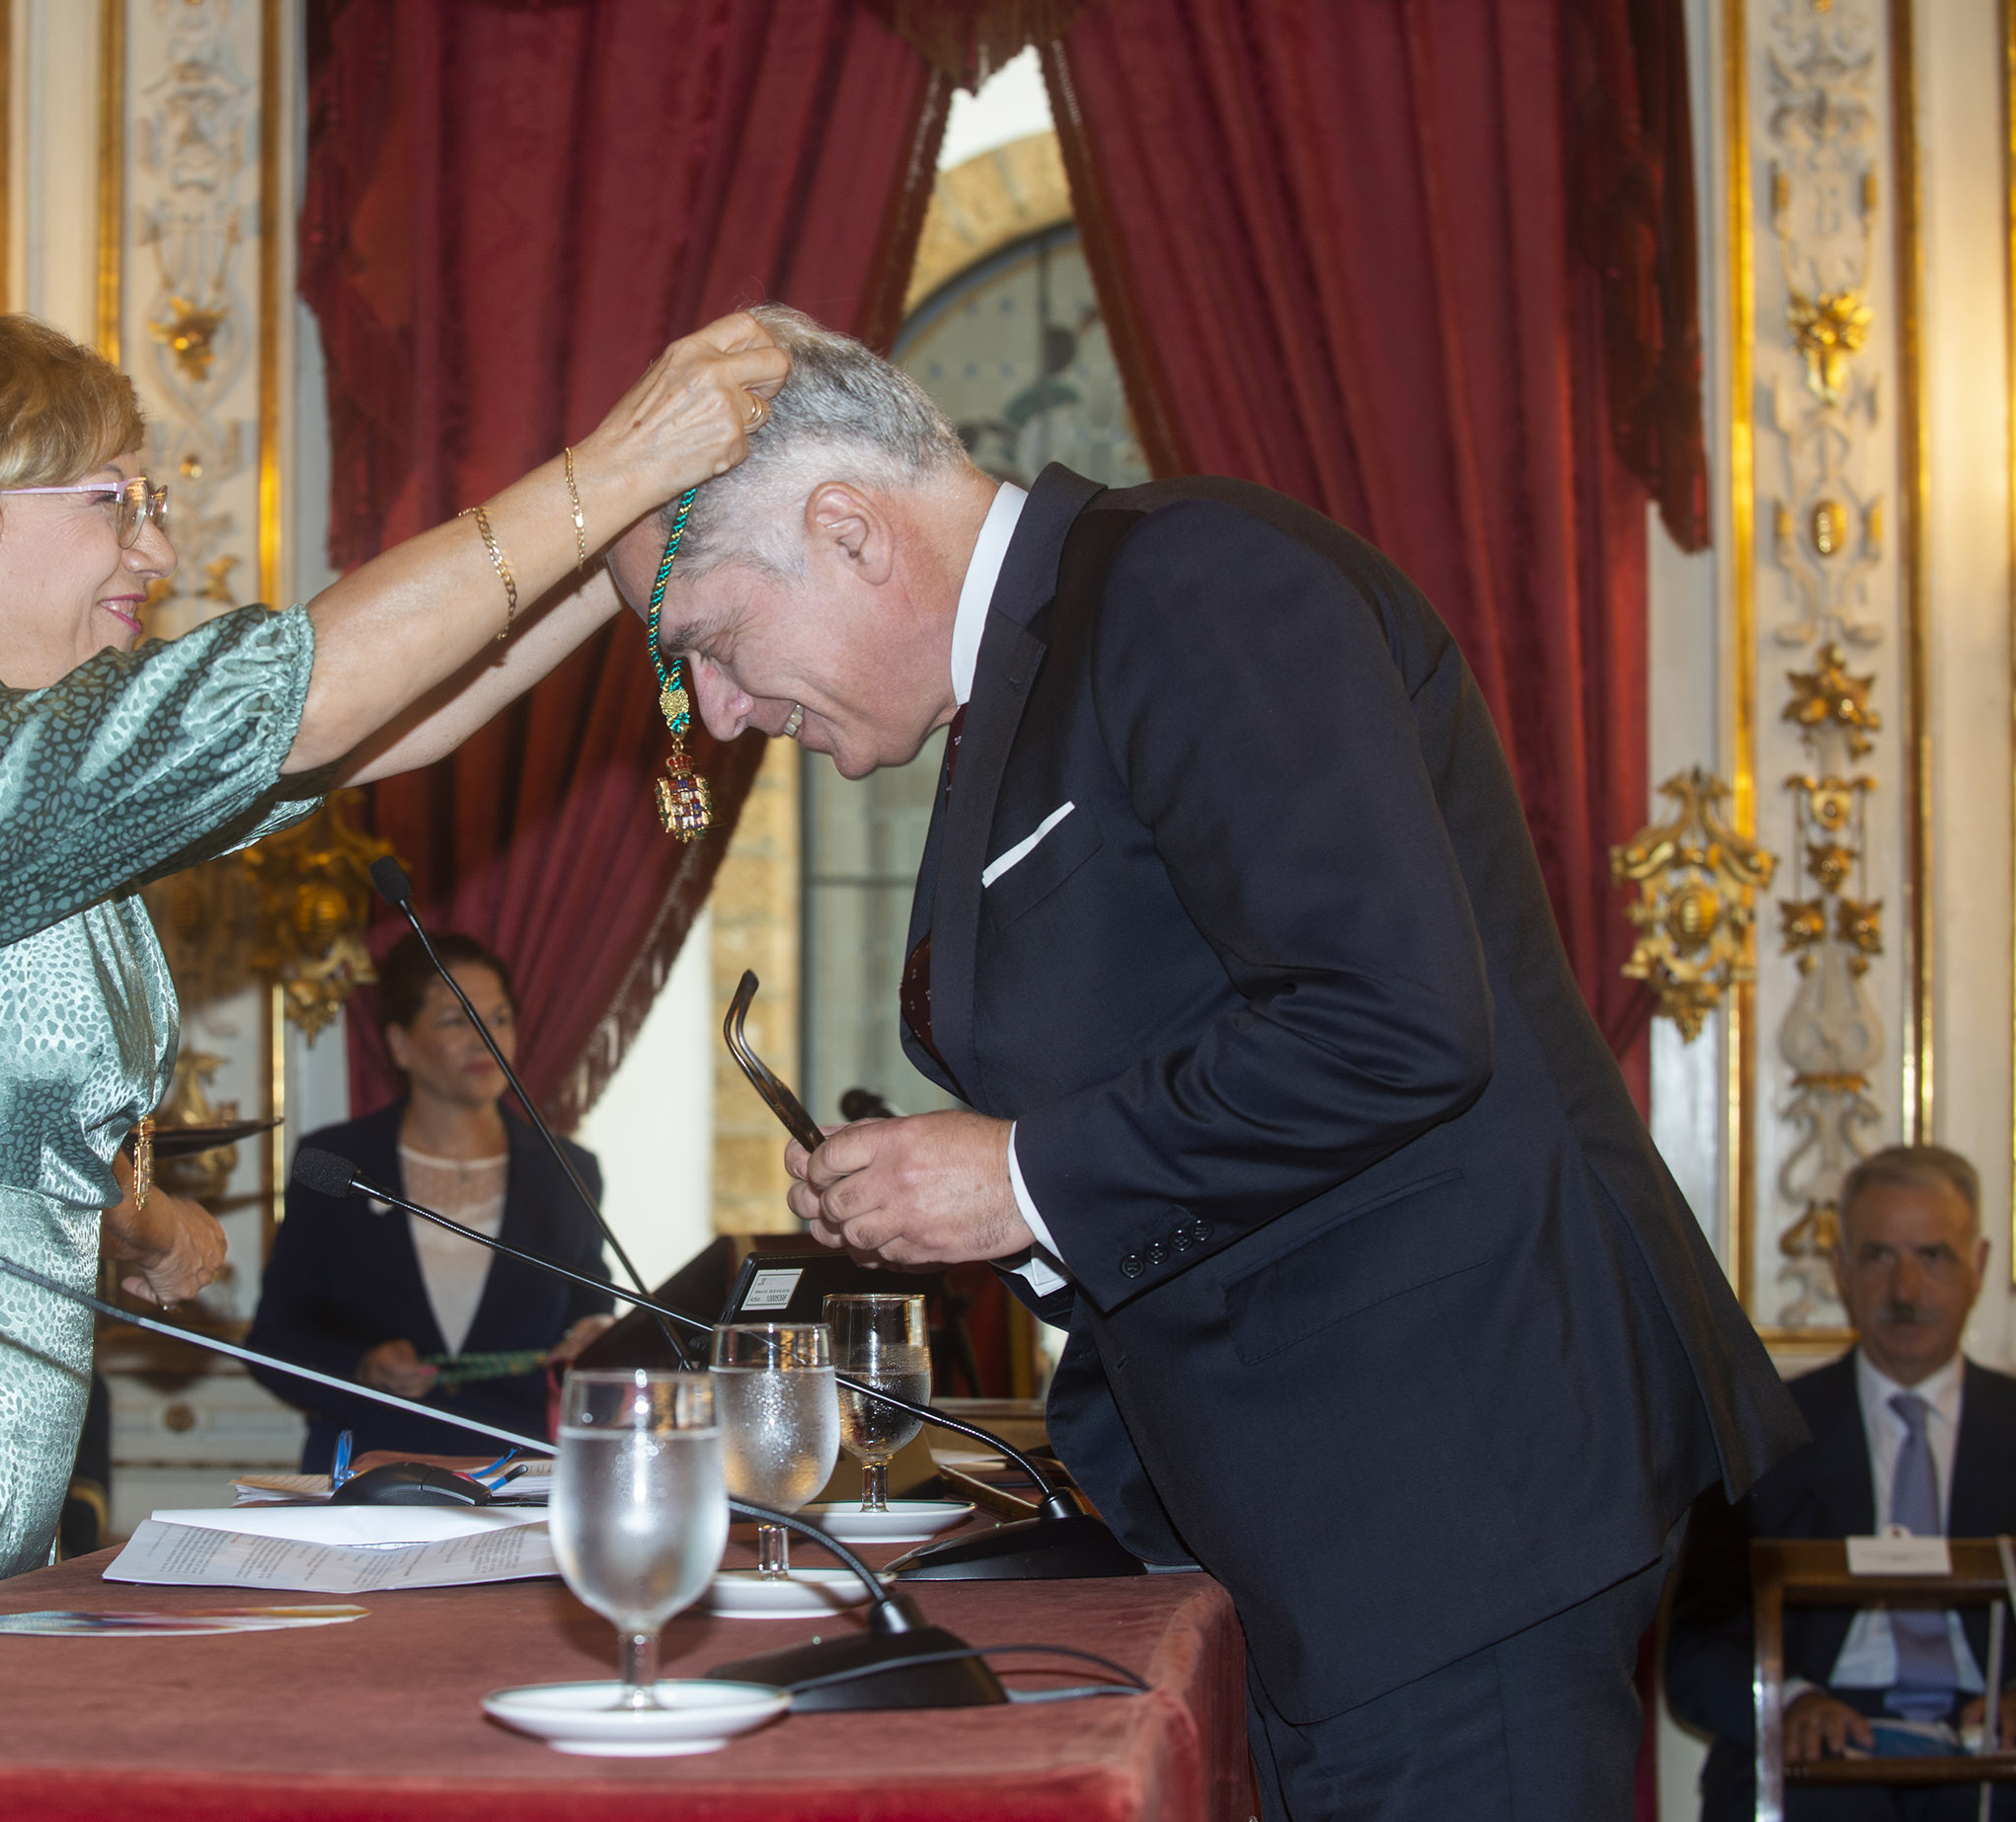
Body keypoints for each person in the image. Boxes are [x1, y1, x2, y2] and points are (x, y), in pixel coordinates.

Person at [600, 303, 1806, 1822]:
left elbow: (1391, 1019)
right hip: (1321, 1518)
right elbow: (1194, 1070)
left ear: (846, 529)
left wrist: (1019, 1177)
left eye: (702, 640)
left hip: (1443, 1496)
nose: (711, 711)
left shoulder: (1187, 582)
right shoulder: (1022, 688)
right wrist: (981, 1209)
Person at [0, 303, 778, 1649]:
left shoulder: (35, 784)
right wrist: (624, 460)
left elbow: (358, 734)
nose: (155, 548)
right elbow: (305, 693)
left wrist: (608, 567)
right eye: (113, 502)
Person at [1667, 1147, 2016, 1820]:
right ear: (1840, 1269)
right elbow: (1693, 1656)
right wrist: (1787, 1700)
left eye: (1934, 1257)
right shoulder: (1759, 1438)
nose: (1906, 1290)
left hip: (1992, 1755)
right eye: (1879, 1256)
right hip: (1817, 1754)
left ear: (1976, 1267)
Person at [248, 934, 614, 1466]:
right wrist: (363, 1365)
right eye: (454, 1020)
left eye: (500, 1018)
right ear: (399, 1044)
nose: (484, 1039)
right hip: (370, 1475)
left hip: (523, 1481)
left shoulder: (567, 1172)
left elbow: (593, 1314)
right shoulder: (336, 1162)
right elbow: (275, 1340)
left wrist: (595, 1338)